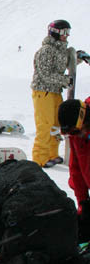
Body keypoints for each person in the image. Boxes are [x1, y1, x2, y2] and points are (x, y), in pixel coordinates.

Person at [0, 158, 89, 264]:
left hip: (26, 219)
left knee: (11, 260)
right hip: (65, 216)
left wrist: (3, 248)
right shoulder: (32, 168)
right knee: (63, 260)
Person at [30, 19, 82, 167]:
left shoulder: (60, 50)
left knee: (56, 124)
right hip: (43, 92)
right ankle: (40, 159)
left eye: (68, 32)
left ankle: (52, 154)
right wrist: (66, 80)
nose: (66, 36)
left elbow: (65, 62)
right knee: (45, 125)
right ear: (54, 33)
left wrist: (77, 58)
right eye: (64, 32)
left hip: (54, 91)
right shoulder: (46, 50)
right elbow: (45, 73)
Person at [58, 98, 90, 241]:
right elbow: (76, 168)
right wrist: (83, 202)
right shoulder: (76, 135)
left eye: (76, 132)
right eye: (71, 134)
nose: (75, 136)